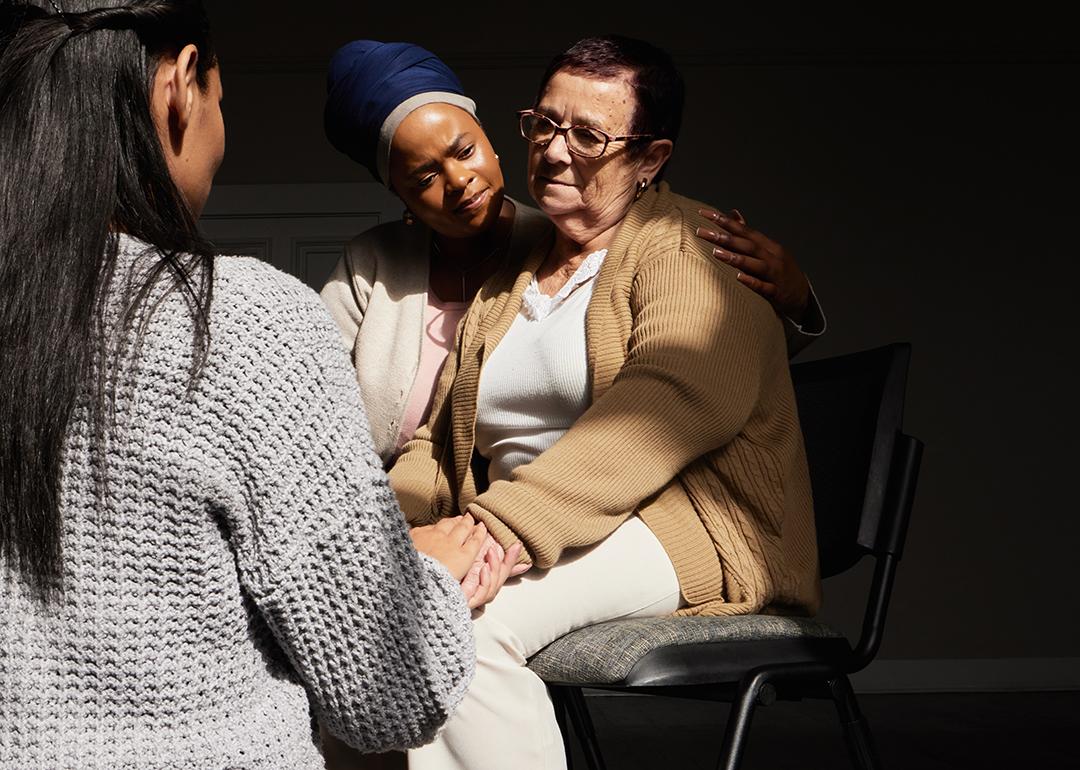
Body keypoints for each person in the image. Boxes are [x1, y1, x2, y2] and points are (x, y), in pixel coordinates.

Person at [0, 3, 504, 768]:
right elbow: (389, 691)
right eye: (221, 101)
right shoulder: (239, 321)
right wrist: (427, 573)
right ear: (180, 86)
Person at [387, 35, 821, 770]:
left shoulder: (692, 250)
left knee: (454, 625)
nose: (555, 152)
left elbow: (669, 405)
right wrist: (380, 536)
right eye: (545, 124)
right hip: (547, 524)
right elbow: (438, 439)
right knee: (363, 613)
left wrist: (494, 529)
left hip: (675, 525)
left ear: (650, 158)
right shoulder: (509, 281)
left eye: (588, 135)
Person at [319, 40, 825, 471]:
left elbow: (709, 351)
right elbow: (315, 407)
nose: (458, 182)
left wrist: (796, 302)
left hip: (547, 508)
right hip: (398, 499)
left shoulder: (574, 232)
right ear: (401, 197)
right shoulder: (374, 264)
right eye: (424, 179)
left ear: (490, 142)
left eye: (465, 151)